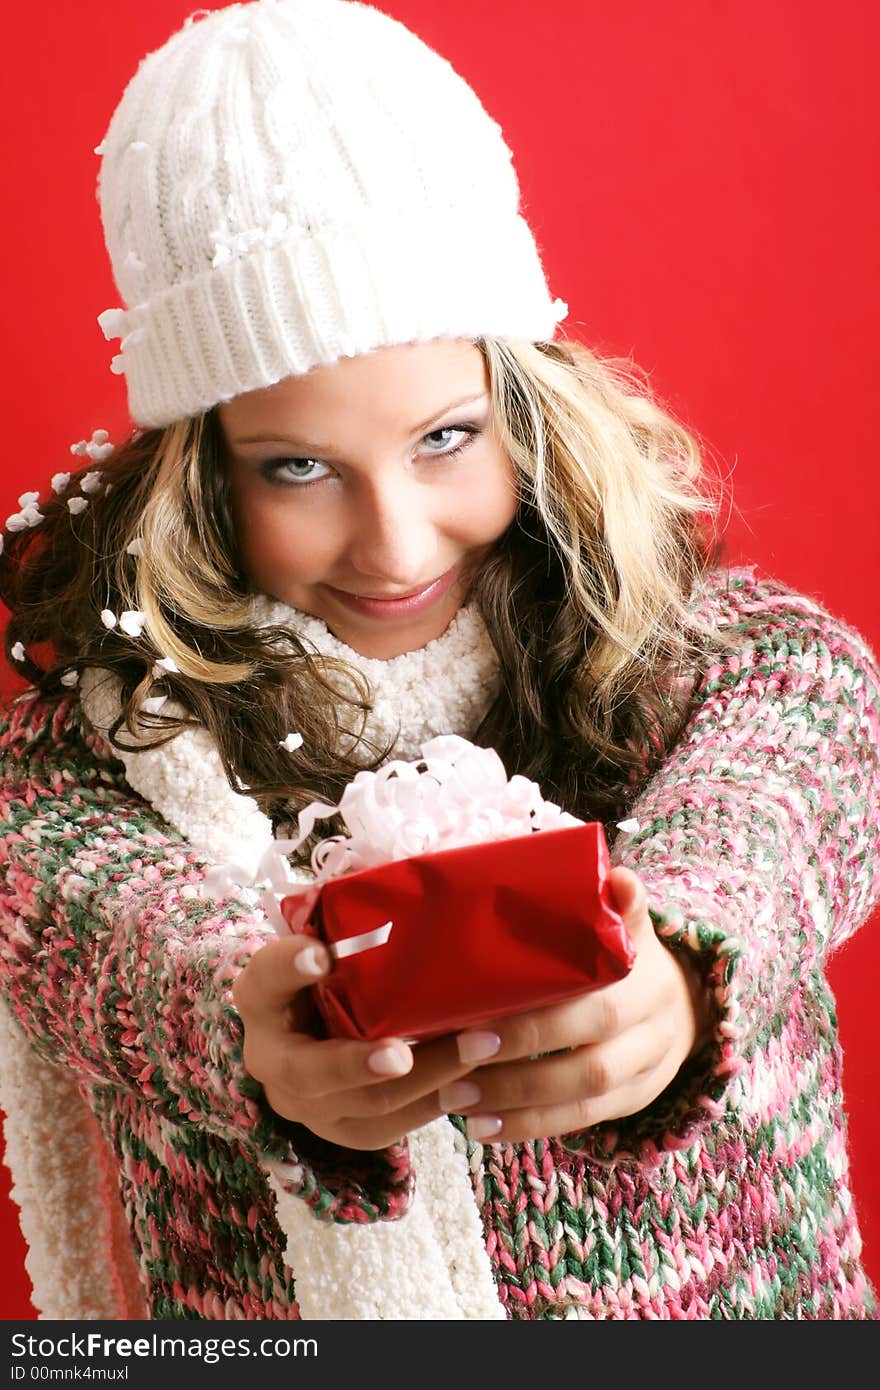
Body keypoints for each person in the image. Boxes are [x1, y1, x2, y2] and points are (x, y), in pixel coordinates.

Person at [0, 0, 877, 1322]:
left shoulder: (711, 669)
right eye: (298, 467)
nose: (396, 540)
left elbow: (789, 782)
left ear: (526, 409)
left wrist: (680, 976)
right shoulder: (89, 771)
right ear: (199, 480)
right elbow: (113, 935)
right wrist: (251, 1030)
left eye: (447, 438)